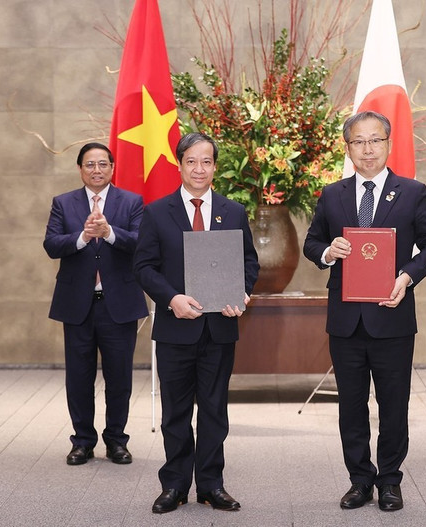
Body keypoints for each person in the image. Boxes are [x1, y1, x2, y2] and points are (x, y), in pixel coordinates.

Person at [303, 111, 426, 512]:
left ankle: (390, 481)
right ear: (347, 148)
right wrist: (329, 252)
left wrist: (408, 276)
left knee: (393, 403)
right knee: (350, 404)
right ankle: (359, 479)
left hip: (393, 316)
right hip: (346, 320)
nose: (367, 149)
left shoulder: (413, 192)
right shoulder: (332, 194)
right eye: (358, 142)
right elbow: (312, 244)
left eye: (375, 140)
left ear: (388, 143)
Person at [133, 132, 259, 514]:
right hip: (176, 328)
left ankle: (211, 485)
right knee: (175, 412)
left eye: (206, 162)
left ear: (215, 167)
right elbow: (143, 267)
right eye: (191, 161)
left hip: (219, 328)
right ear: (180, 164)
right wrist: (172, 299)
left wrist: (241, 292)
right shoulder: (156, 212)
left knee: (215, 409)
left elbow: (249, 263)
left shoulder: (233, 211)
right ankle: (174, 485)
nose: (199, 169)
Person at [44, 142, 148, 466]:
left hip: (119, 305)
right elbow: (51, 244)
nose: (97, 170)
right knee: (78, 377)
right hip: (78, 305)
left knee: (119, 379)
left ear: (112, 168)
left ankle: (116, 441)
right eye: (90, 165)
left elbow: (142, 243)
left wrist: (110, 232)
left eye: (103, 164)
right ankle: (82, 442)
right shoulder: (63, 203)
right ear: (80, 169)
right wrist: (84, 237)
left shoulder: (132, 202)